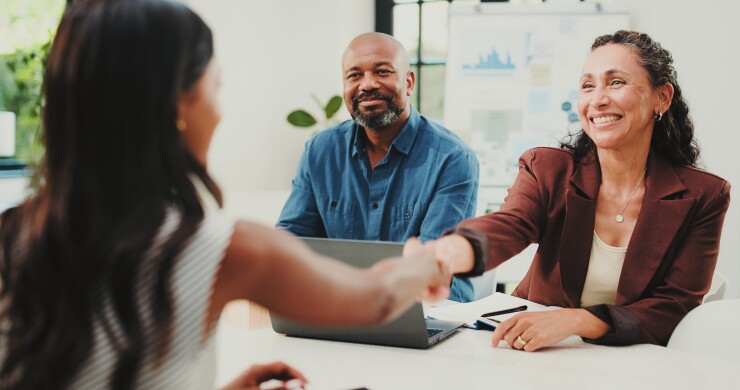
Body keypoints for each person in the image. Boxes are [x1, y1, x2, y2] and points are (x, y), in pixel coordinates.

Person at [0, 1, 452, 389]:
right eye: (216, 87)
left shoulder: (13, 232)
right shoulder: (220, 247)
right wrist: (427, 264)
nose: (219, 110)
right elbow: (374, 298)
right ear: (174, 104)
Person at [406, 30, 731, 351]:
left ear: (662, 97)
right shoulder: (547, 169)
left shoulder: (704, 196)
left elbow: (672, 308)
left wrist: (576, 320)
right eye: (587, 86)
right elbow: (510, 225)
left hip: (632, 366)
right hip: (530, 352)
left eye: (616, 82)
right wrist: (454, 250)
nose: (598, 99)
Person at [277, 32, 480, 302]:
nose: (367, 84)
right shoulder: (319, 151)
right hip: (339, 310)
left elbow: (432, 265)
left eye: (382, 71)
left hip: (430, 312)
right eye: (354, 75)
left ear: (408, 82)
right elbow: (292, 241)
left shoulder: (452, 158)